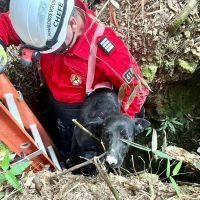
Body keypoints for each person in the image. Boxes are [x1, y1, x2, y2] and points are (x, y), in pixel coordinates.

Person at [0, 0, 149, 162]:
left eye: (57, 47)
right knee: (61, 136)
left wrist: (120, 123)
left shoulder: (102, 48)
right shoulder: (44, 20)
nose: (53, 52)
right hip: (54, 99)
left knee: (78, 150)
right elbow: (9, 23)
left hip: (83, 112)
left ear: (73, 23)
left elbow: (137, 88)